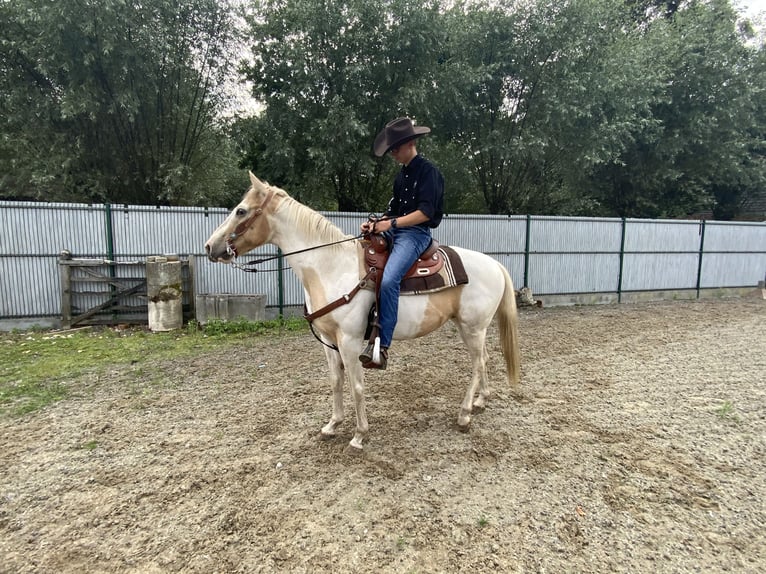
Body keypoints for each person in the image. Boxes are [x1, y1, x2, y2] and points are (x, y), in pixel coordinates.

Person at [359, 117, 445, 369]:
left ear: (409, 144)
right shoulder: (401, 177)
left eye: (395, 148)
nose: (393, 153)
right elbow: (393, 210)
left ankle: (381, 345)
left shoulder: (429, 173)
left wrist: (391, 225)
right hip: (395, 232)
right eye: (391, 150)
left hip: (416, 235)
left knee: (389, 279)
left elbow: (426, 213)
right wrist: (375, 224)